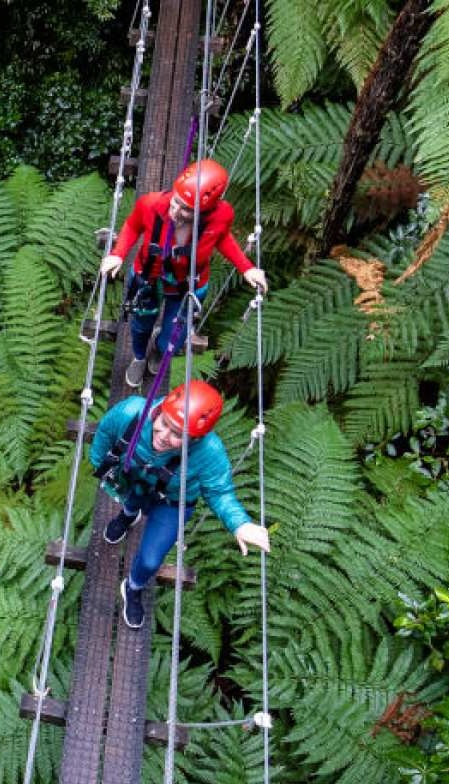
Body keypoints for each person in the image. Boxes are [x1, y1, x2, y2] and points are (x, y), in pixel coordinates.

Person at [89, 379, 272, 628]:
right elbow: (105, 433)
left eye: (178, 435)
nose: (163, 436)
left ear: (196, 438)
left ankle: (133, 587)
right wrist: (101, 465)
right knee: (131, 500)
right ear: (161, 409)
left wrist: (239, 524)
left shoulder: (210, 453)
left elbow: (219, 492)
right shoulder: (131, 413)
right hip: (134, 478)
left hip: (172, 502)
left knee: (152, 560)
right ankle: (127, 516)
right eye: (164, 423)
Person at [98, 159, 268, 388]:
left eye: (186, 210)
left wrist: (246, 268)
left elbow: (223, 238)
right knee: (140, 324)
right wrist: (118, 254)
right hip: (148, 277)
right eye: (176, 203)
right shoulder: (151, 204)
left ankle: (159, 348)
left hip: (188, 284)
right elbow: (132, 226)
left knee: (174, 338)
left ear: (206, 210)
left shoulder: (221, 216)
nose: (176, 211)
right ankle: (139, 357)